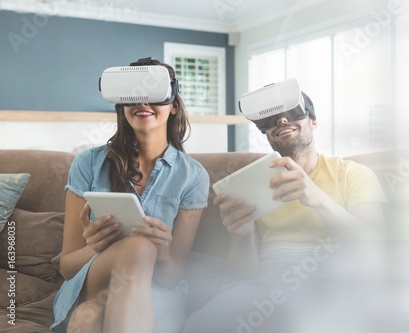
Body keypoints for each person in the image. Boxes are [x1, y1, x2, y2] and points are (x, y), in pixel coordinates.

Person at [182, 88, 387, 332]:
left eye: (292, 112)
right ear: (266, 133)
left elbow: (374, 242)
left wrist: (317, 197)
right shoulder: (253, 184)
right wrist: (243, 234)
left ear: (313, 121)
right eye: (270, 119)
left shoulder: (353, 173)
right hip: (272, 282)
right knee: (202, 322)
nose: (281, 120)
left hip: (338, 276)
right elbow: (243, 273)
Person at [52, 58, 209, 333]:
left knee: (88, 317)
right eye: (133, 94)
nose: (142, 102)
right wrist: (95, 246)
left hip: (155, 289)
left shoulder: (193, 176)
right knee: (139, 245)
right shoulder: (88, 164)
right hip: (93, 281)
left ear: (173, 106)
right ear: (122, 106)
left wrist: (163, 251)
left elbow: (172, 278)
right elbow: (67, 268)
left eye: (154, 93)